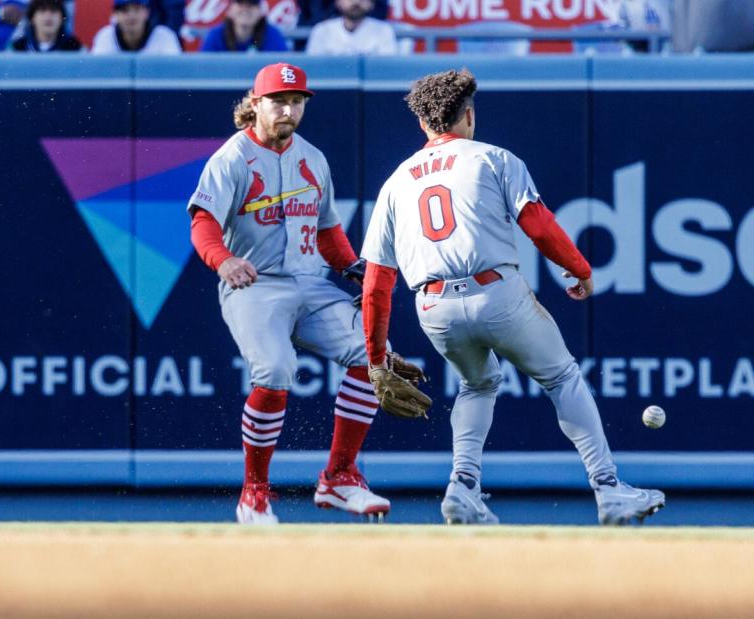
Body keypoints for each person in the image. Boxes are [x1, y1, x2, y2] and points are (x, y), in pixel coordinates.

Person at [359, 69, 667, 526]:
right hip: (495, 293)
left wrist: (376, 357)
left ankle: (462, 487)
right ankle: (609, 490)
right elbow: (539, 227)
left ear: (422, 124)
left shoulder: (395, 181)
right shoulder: (492, 158)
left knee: (478, 383)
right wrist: (580, 269)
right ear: (468, 114)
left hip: (434, 306)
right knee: (562, 378)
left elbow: (377, 283)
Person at [187, 63, 397, 524]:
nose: (288, 109)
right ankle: (254, 493)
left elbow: (326, 229)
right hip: (255, 285)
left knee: (373, 355)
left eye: (297, 101)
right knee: (276, 370)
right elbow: (202, 224)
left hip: (310, 283)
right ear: (255, 104)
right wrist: (223, 260)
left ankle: (339, 477)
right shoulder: (231, 159)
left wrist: (352, 268)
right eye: (279, 101)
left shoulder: (313, 158)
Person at [305, 0, 397, 55]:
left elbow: (386, 69)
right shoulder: (321, 30)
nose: (356, 2)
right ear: (338, 2)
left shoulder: (384, 30)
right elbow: (314, 69)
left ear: (371, 4)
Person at [91, 0, 181, 54]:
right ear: (115, 15)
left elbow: (176, 76)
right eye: (125, 11)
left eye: (137, 9)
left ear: (147, 13)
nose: (131, 16)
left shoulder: (164, 36)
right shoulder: (105, 36)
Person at [200, 0, 289, 53]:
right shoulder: (216, 35)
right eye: (240, 3)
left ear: (260, 11)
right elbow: (204, 69)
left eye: (252, 4)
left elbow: (282, 68)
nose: (246, 9)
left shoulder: (272, 34)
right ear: (230, 10)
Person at [11, 0, 82, 52]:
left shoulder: (75, 47)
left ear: (62, 18)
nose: (48, 16)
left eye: (53, 11)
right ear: (32, 18)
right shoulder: (18, 48)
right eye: (42, 11)